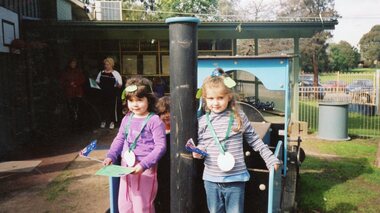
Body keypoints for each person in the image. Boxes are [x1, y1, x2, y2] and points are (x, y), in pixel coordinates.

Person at [193, 69, 281, 213]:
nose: (215, 103)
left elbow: (255, 140)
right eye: (211, 98)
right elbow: (203, 143)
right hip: (211, 178)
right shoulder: (202, 121)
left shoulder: (238, 116)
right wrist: (199, 152)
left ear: (229, 96)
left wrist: (270, 158)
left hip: (235, 177)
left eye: (220, 97)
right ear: (205, 99)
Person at [103, 77, 166, 213]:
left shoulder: (154, 121)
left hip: (145, 169)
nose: (135, 104)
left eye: (139, 100)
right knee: (125, 204)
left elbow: (160, 147)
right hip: (125, 167)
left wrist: (143, 165)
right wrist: (111, 156)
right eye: (131, 100)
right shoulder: (127, 118)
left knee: (142, 206)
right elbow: (119, 138)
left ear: (149, 99)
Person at [96, 57, 122, 129]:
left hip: (112, 94)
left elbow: (120, 85)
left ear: (112, 65)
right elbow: (97, 82)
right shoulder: (101, 73)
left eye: (108, 64)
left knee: (112, 108)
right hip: (103, 93)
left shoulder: (115, 73)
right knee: (103, 107)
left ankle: (112, 122)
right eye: (105, 64)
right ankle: (103, 121)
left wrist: (117, 84)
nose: (106, 66)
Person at [60, 58, 86, 129]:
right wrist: (69, 84)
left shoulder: (78, 71)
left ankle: (80, 125)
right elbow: (62, 82)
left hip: (78, 92)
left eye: (74, 63)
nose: (73, 64)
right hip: (70, 93)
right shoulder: (66, 72)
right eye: (72, 63)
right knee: (71, 110)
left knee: (79, 109)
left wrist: (76, 83)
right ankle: (73, 125)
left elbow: (82, 79)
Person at [155, 96, 170, 212]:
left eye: (170, 112)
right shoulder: (156, 133)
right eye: (163, 112)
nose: (167, 115)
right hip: (160, 170)